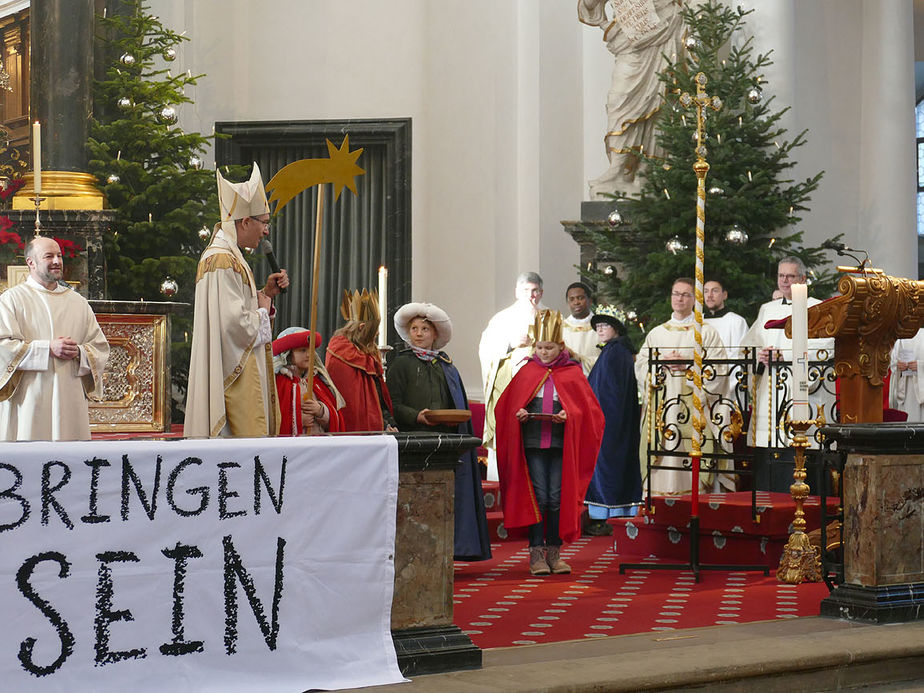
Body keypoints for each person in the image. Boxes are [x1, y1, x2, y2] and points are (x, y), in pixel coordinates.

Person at [495, 309, 604, 575]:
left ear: (561, 346)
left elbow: (591, 412)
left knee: (556, 498)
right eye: (540, 347)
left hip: (559, 444)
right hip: (532, 444)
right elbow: (505, 407)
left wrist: (570, 415)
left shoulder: (572, 373)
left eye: (550, 347)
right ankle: (536, 554)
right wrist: (518, 414)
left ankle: (554, 553)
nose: (544, 353)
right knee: (539, 496)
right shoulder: (527, 371)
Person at [185, 163, 289, 438]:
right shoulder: (221, 259)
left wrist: (264, 295)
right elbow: (233, 326)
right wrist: (263, 313)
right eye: (264, 222)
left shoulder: (230, 256)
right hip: (230, 381)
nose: (267, 231)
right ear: (245, 222)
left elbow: (233, 312)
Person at [388, 302, 492, 561]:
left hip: (445, 443)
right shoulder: (401, 365)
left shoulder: (445, 366)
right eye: (414, 328)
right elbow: (392, 403)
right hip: (414, 441)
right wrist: (417, 416)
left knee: (446, 499)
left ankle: (448, 551)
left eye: (425, 328)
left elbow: (454, 402)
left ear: (435, 334)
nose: (419, 333)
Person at [0, 236, 109, 441]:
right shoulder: (11, 300)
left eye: (59, 255)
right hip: (29, 401)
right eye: (49, 256)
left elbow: (100, 347)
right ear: (30, 262)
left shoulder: (78, 303)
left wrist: (79, 352)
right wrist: (47, 349)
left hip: (69, 398)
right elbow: (2, 346)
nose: (57, 261)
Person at [741, 257, 834, 491]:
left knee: (802, 449)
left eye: (790, 276)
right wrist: (760, 357)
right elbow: (749, 346)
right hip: (770, 396)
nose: (784, 281)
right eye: (781, 276)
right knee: (771, 449)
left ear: (803, 279)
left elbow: (828, 346)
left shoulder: (818, 308)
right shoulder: (767, 310)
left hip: (802, 392)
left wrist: (786, 356)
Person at [578, 0, 686, 198]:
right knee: (619, 100)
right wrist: (605, 23)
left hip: (665, 23)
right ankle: (617, 169)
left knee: (661, 100)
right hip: (630, 34)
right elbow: (590, 4)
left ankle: (647, 172)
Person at [634, 278, 730, 495]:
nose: (679, 299)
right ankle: (658, 503)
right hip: (663, 406)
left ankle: (695, 502)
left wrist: (688, 366)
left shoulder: (706, 333)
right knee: (663, 455)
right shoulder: (657, 333)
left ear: (695, 300)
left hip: (694, 408)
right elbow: (640, 367)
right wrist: (659, 367)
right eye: (675, 293)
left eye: (685, 295)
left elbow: (720, 371)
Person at [478, 271, 546, 480]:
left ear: (541, 293)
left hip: (540, 393)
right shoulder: (502, 319)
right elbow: (485, 350)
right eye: (526, 290)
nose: (531, 295)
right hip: (509, 389)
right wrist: (510, 344)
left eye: (535, 291)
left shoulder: (549, 318)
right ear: (517, 292)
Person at [584, 305, 641, 535]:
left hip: (609, 420)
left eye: (604, 325)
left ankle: (607, 515)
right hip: (609, 418)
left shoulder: (616, 352)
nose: (599, 329)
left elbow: (610, 392)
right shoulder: (614, 350)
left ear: (616, 328)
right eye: (597, 326)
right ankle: (609, 514)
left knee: (608, 465)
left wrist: (598, 415)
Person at [325, 289, 396, 432]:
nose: (378, 333)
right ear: (362, 328)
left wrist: (387, 424)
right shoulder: (340, 354)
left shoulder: (370, 354)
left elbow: (379, 399)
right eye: (375, 329)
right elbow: (351, 406)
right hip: (351, 433)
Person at [272, 327, 344, 435]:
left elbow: (335, 418)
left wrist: (321, 411)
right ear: (288, 354)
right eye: (303, 350)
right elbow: (274, 419)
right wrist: (298, 421)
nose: (309, 355)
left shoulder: (317, 381)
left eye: (311, 350)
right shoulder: (280, 382)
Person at [562, 281, 599, 375]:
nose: (576, 302)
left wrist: (580, 359)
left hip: (596, 377)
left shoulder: (601, 325)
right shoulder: (561, 328)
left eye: (580, 298)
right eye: (572, 299)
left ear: (590, 300)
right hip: (570, 378)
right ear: (568, 303)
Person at [704, 279, 749, 351]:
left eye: (715, 291)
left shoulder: (737, 321)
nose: (709, 295)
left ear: (724, 295)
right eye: (706, 291)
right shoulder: (697, 321)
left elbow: (742, 353)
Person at [889, 329, 924, 422]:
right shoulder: (902, 336)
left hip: (921, 390)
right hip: (906, 389)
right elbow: (892, 360)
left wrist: (920, 366)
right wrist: (897, 364)